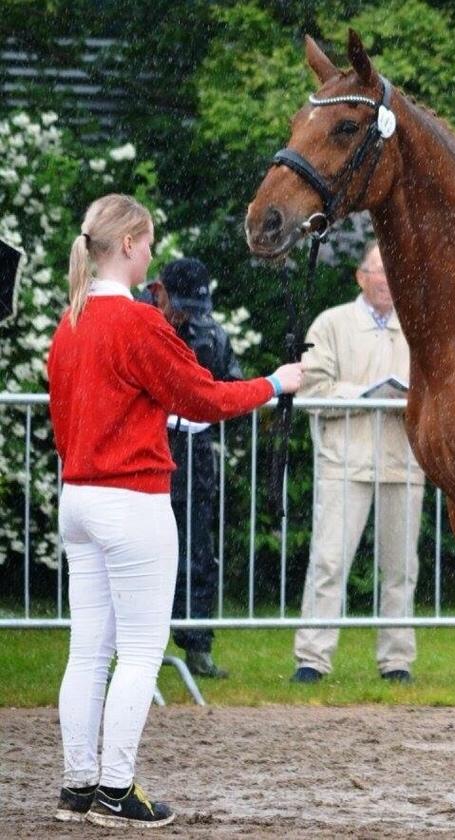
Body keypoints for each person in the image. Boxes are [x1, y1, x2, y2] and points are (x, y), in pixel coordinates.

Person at [48, 193, 302, 827]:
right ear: (130, 244)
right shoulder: (136, 323)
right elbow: (204, 397)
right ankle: (114, 790)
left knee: (88, 650)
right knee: (138, 650)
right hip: (131, 499)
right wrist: (274, 384)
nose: (153, 252)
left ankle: (80, 786)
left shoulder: (70, 321)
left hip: (78, 496)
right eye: (149, 241)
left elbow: (63, 418)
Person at [292, 240, 425, 684]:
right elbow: (310, 389)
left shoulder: (418, 327)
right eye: (377, 272)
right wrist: (363, 394)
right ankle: (312, 658)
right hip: (344, 463)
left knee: (402, 570)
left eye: (393, 272)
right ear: (360, 277)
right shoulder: (331, 324)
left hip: (402, 463)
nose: (386, 281)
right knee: (329, 562)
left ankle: (397, 661)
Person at [145, 258, 244, 679]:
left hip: (194, 456)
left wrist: (213, 405)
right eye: (181, 306)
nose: (186, 316)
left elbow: (232, 382)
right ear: (159, 291)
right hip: (147, 452)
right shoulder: (137, 322)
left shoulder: (212, 333)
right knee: (139, 554)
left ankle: (197, 644)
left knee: (196, 556)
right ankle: (130, 646)